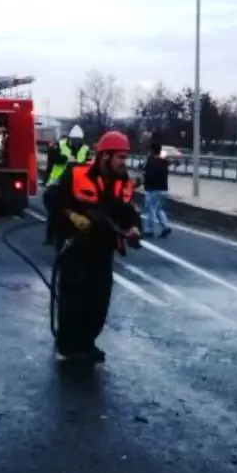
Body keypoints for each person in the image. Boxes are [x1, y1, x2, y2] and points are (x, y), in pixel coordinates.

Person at [45, 130, 141, 362]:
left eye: (125, 158)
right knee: (73, 297)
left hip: (102, 247)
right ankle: (67, 345)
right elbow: (51, 198)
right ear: (105, 156)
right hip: (74, 245)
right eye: (120, 157)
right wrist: (72, 216)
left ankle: (87, 343)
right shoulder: (77, 173)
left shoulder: (123, 182)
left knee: (98, 300)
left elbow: (128, 211)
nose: (124, 163)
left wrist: (134, 229)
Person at [44, 126, 90, 245]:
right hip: (57, 181)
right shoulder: (60, 145)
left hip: (74, 183)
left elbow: (87, 164)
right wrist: (65, 159)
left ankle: (73, 236)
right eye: (74, 140)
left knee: (73, 210)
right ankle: (50, 237)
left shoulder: (85, 149)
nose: (76, 143)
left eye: (78, 140)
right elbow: (53, 158)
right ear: (70, 139)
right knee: (53, 211)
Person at [141, 141, 172, 238]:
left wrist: (144, 176)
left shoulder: (151, 161)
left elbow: (149, 174)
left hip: (152, 189)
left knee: (150, 209)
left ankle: (149, 230)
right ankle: (166, 227)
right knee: (158, 209)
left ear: (151, 150)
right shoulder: (164, 161)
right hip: (163, 189)